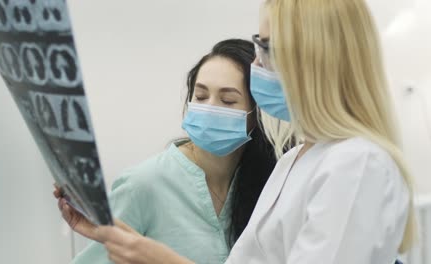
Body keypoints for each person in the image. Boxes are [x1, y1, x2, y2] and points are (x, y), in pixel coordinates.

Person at [92, 0, 415, 264]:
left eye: (267, 49)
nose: (257, 64)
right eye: (201, 96)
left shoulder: (356, 163)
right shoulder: (296, 159)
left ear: (315, 59)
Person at [54, 38, 278, 263]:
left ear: (257, 114)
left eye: (228, 101)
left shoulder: (272, 184)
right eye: (200, 96)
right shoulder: (142, 184)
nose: (209, 108)